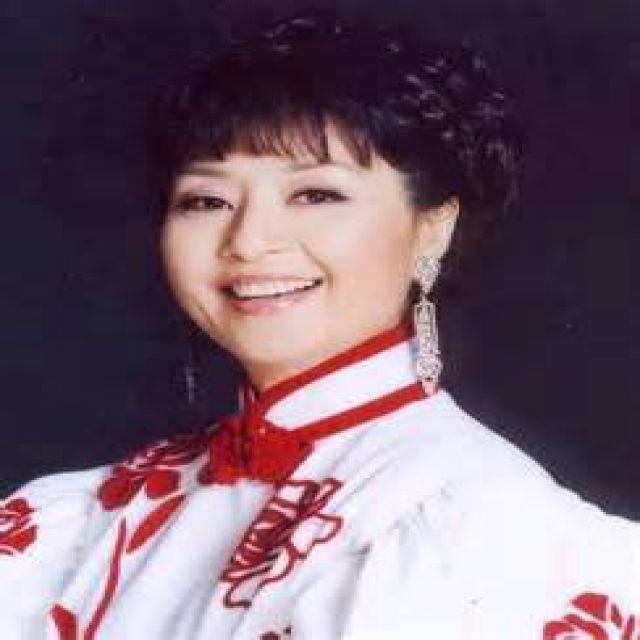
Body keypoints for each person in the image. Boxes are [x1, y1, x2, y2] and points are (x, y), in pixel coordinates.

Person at [1, 14, 638, 640]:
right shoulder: (89, 519)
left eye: (316, 195)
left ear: (432, 228)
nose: (249, 241)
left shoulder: (471, 523)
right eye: (207, 200)